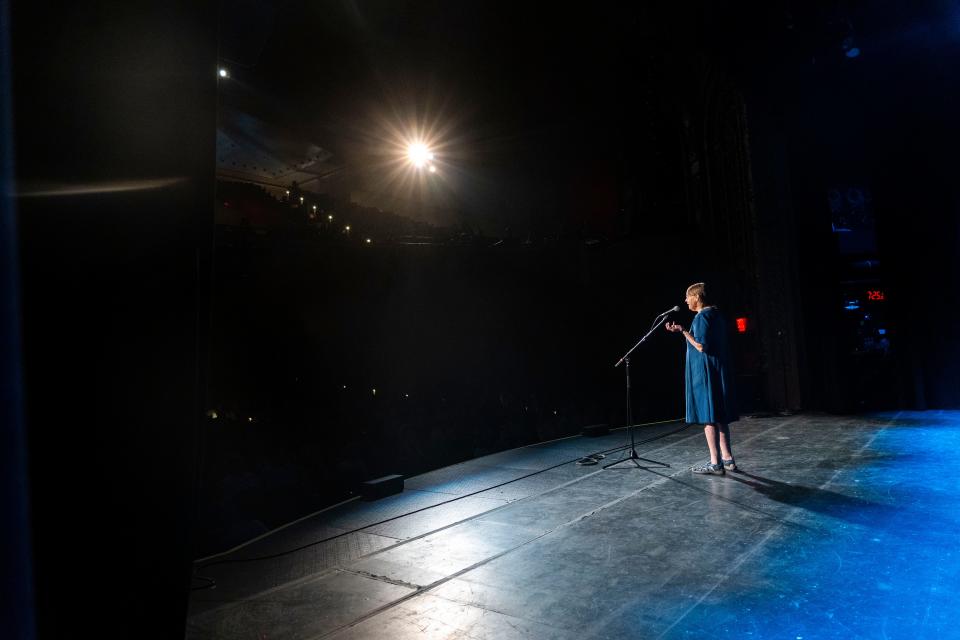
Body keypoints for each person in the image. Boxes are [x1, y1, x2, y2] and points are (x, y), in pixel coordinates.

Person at [665, 282, 739, 475]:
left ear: (696, 297)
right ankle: (728, 459)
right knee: (720, 417)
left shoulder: (702, 317)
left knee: (709, 418)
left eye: (688, 297)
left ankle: (716, 462)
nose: (685, 300)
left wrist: (683, 331)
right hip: (717, 370)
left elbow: (701, 346)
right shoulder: (716, 315)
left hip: (707, 374)